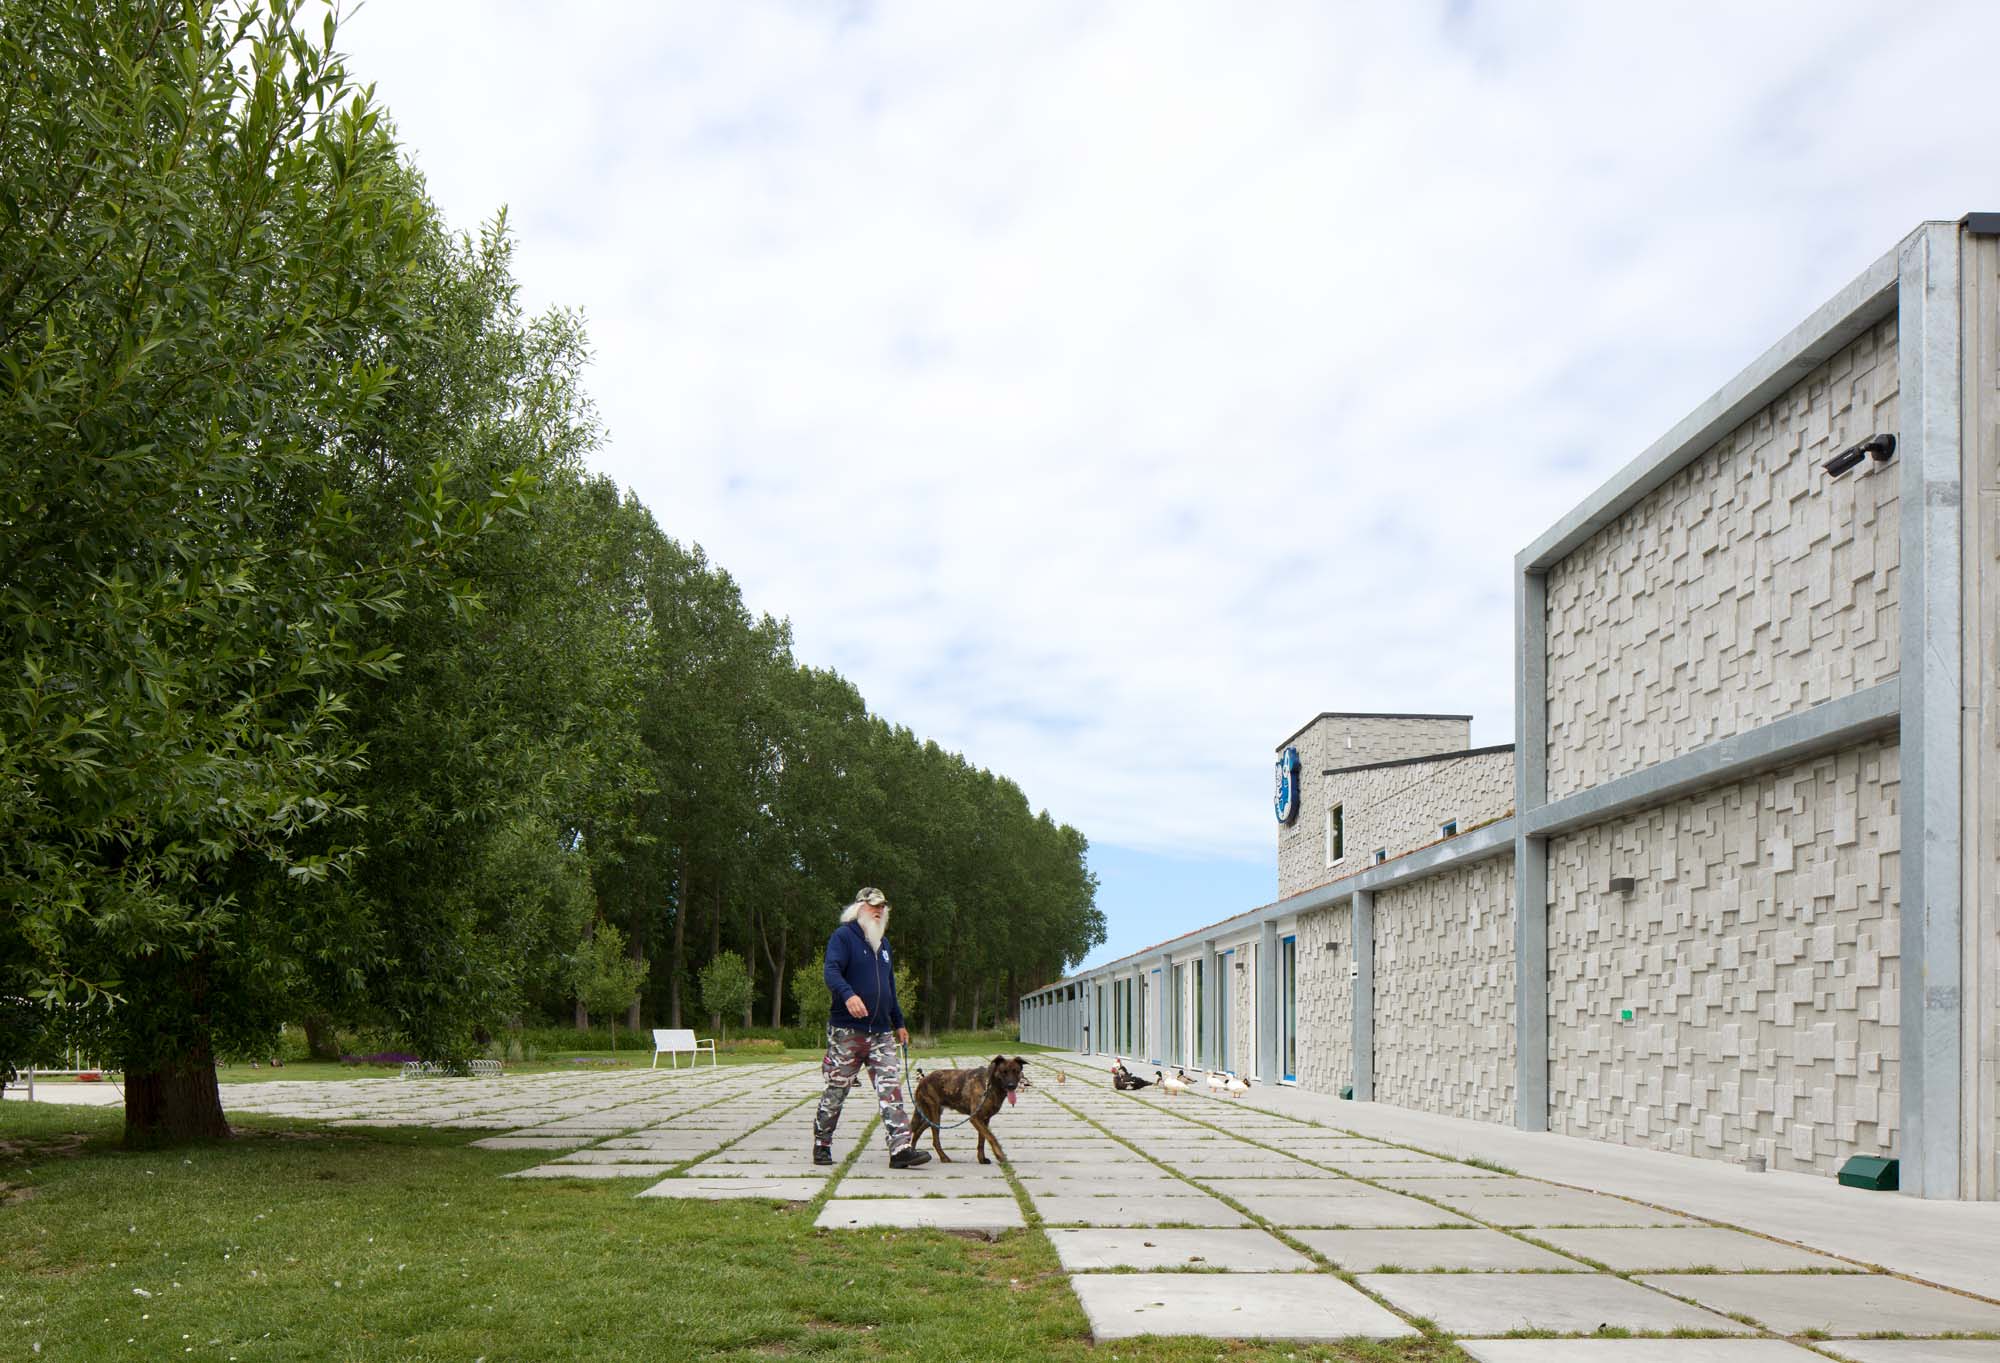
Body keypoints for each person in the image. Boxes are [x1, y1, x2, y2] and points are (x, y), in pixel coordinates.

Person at [813, 887, 930, 1169]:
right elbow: (831, 971)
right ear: (858, 908)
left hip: (881, 1033)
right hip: (847, 1031)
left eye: (882, 907)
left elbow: (889, 988)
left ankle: (901, 1149)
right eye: (873, 906)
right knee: (837, 1090)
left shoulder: (884, 945)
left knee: (891, 1089)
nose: (878, 911)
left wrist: (899, 1022)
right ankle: (822, 1143)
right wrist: (848, 995)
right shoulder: (843, 937)